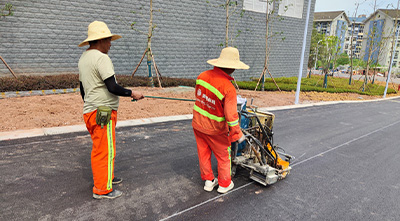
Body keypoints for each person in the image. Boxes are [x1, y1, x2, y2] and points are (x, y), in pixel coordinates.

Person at [78, 21, 144, 199]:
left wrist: (90, 103)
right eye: (108, 40)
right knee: (103, 150)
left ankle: (108, 177)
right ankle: (102, 189)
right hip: (103, 111)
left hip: (91, 110)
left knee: (105, 146)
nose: (110, 44)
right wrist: (132, 93)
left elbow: (82, 88)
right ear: (100, 40)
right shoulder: (102, 58)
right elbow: (112, 87)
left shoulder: (84, 58)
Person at [192, 47, 247, 194]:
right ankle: (224, 184)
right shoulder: (228, 88)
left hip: (198, 124)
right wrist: (238, 134)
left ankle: (208, 182)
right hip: (216, 129)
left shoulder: (202, 76)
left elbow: (200, 97)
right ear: (232, 67)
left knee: (203, 153)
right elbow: (231, 117)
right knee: (223, 156)